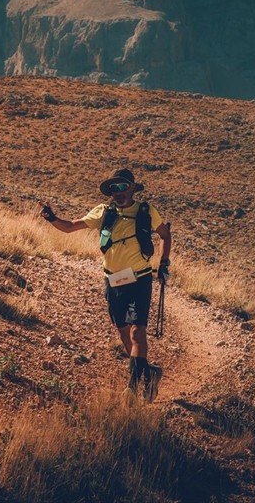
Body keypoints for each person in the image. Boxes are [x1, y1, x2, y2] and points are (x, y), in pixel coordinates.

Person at [40, 168, 171, 400]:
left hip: (139, 278)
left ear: (132, 188)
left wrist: (163, 264)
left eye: (122, 187)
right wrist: (51, 218)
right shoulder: (103, 212)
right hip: (113, 279)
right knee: (123, 332)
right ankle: (150, 374)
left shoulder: (146, 211)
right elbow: (70, 227)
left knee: (137, 332)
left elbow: (164, 235)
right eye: (114, 188)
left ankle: (132, 388)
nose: (118, 192)